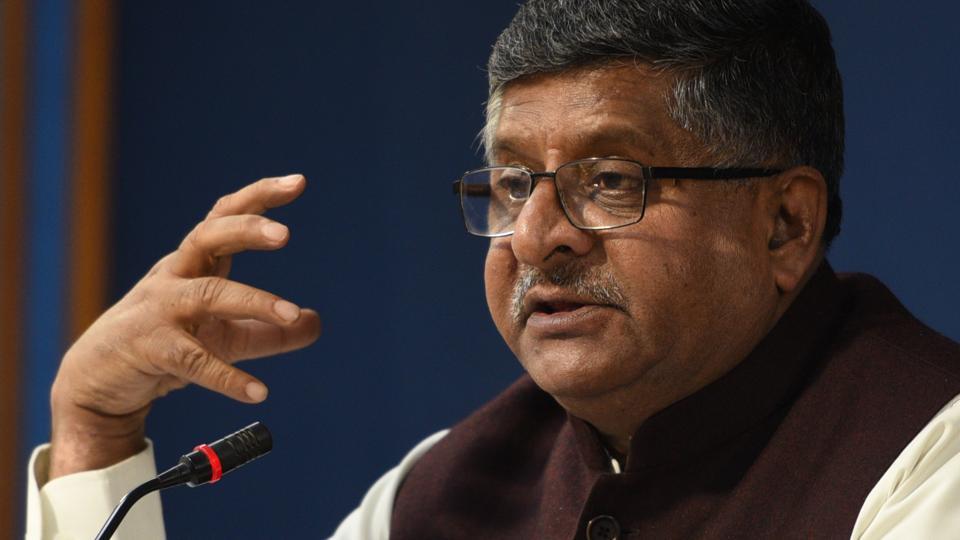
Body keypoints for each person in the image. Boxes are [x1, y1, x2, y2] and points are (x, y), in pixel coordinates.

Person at [25, 0, 960, 538]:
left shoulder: (928, 459)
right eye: (514, 184)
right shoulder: (439, 494)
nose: (539, 234)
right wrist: (97, 439)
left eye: (610, 180)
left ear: (785, 225)